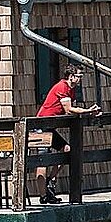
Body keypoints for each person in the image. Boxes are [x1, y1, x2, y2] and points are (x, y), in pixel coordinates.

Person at [34, 66, 100, 202]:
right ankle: (43, 196)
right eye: (79, 76)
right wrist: (88, 111)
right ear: (71, 76)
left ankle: (50, 182)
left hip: (49, 127)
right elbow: (69, 110)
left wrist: (90, 112)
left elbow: (71, 110)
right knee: (43, 160)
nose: (80, 79)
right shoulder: (62, 87)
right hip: (41, 126)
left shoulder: (71, 90)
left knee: (67, 150)